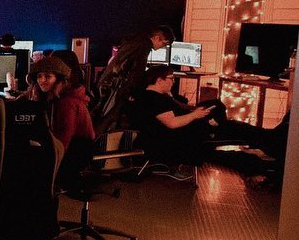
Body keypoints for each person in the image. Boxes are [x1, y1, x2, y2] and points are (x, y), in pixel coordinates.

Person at [130, 64, 274, 180]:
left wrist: (179, 102)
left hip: (183, 132)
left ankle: (266, 142)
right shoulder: (155, 99)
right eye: (171, 78)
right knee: (237, 130)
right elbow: (172, 123)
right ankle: (269, 142)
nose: (174, 81)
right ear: (159, 80)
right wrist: (195, 115)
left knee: (219, 108)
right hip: (182, 138)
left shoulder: (153, 96)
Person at [91, 25, 174, 133]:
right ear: (157, 38)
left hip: (108, 84)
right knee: (108, 120)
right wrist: (138, 91)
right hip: (117, 89)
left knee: (101, 118)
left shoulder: (135, 41)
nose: (162, 47)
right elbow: (137, 72)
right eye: (164, 44)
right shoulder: (144, 46)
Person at [44, 50, 95, 153]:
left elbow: (61, 147)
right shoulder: (72, 95)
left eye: (49, 73)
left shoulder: (67, 103)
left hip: (71, 158)